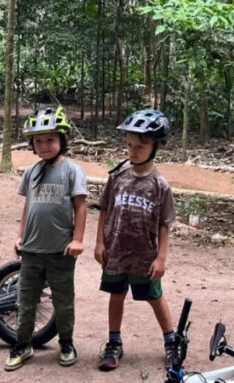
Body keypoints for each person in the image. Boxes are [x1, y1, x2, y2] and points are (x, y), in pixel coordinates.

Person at [4, 106, 88, 372]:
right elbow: (28, 206)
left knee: (63, 301)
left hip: (60, 252)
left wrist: (77, 240)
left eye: (50, 139)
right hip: (31, 251)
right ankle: (22, 344)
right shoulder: (31, 172)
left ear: (63, 140)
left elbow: (81, 206)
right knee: (25, 301)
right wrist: (19, 237)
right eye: (38, 141)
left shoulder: (72, 171)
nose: (44, 146)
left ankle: (66, 342)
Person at [94, 109, 178, 371]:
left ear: (155, 147)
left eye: (140, 146)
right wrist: (100, 243)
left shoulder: (159, 185)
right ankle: (114, 343)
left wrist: (161, 258)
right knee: (115, 295)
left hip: (145, 256)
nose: (133, 150)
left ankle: (171, 341)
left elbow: (165, 224)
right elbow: (105, 209)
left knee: (155, 297)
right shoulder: (117, 177)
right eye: (129, 144)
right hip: (116, 253)